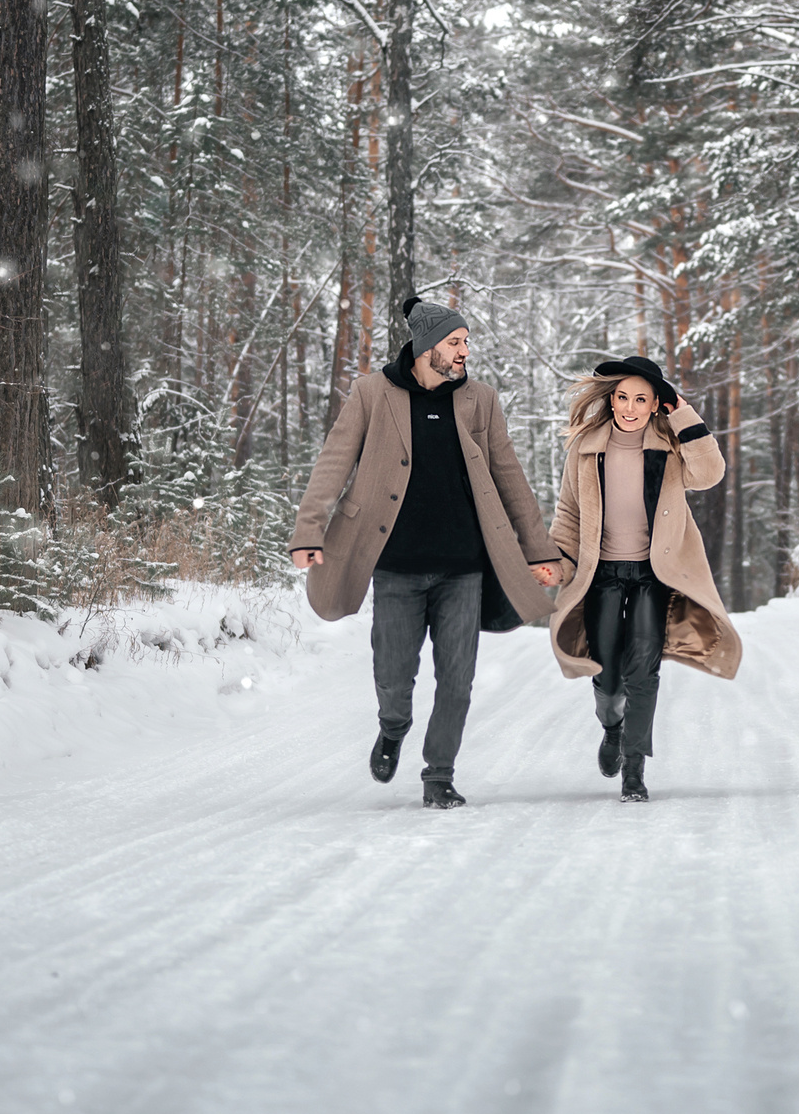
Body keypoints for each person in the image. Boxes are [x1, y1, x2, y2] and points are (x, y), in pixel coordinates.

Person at [290, 297, 564, 809]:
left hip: (465, 569)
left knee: (457, 680)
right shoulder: (373, 393)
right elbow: (333, 463)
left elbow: (510, 478)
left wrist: (537, 550)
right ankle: (393, 728)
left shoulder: (479, 400)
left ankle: (439, 774)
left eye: (465, 342)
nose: (464, 352)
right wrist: (309, 531)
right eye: (454, 342)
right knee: (394, 677)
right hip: (396, 566)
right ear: (425, 347)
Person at [545, 354, 743, 801]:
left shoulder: (671, 446)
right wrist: (557, 561)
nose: (629, 408)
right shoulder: (585, 447)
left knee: (643, 672)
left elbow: (710, 474)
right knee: (608, 675)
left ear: (656, 404)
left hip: (656, 575)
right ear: (611, 400)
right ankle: (612, 728)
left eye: (641, 399)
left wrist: (683, 412)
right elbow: (568, 514)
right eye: (621, 397)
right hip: (603, 574)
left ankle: (634, 772)